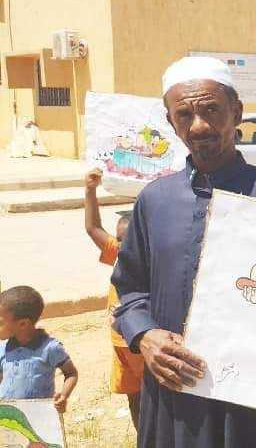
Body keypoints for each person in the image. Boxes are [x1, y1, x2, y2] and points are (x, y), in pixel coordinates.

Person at [111, 57, 256, 447]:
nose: (199, 126)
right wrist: (145, 336)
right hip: (172, 397)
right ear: (170, 121)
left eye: (211, 110)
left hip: (252, 401)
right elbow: (130, 289)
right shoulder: (155, 201)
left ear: (236, 112)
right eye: (184, 114)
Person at [84, 168, 142, 429]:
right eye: (118, 240)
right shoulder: (117, 254)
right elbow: (93, 228)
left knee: (152, 397)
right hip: (120, 345)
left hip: (140, 343)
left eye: (126, 241)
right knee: (135, 399)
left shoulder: (151, 265)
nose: (120, 246)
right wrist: (90, 190)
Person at [0, 286, 78, 414]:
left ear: (23, 324)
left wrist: (63, 396)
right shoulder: (2, 348)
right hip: (8, 417)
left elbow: (71, 373)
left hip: (40, 417)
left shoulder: (49, 348)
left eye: (0, 323)